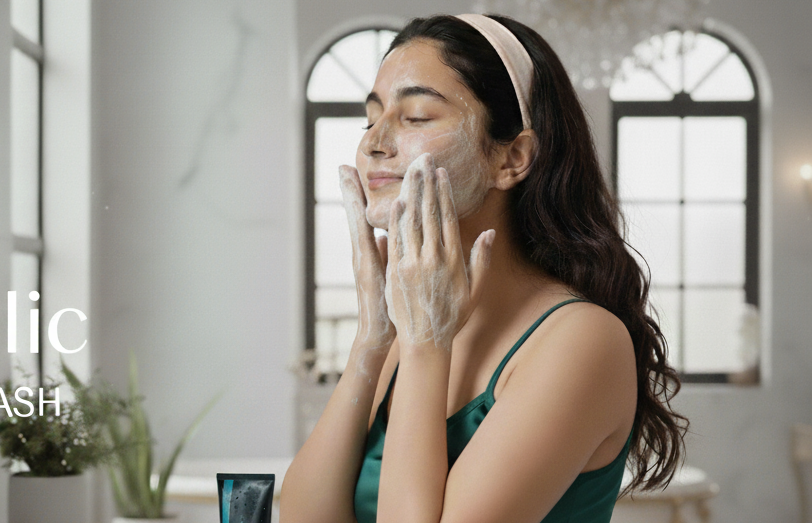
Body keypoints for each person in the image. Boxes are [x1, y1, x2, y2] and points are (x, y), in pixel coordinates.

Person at [279, 13, 689, 523]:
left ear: (512, 157)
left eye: (416, 117)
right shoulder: (404, 331)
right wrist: (373, 336)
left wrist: (428, 345)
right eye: (371, 118)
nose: (373, 143)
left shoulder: (583, 341)